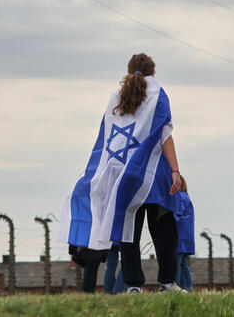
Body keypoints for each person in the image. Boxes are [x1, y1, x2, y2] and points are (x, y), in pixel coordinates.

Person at [59, 53, 184, 293]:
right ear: (153, 73)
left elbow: (106, 138)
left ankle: (133, 284)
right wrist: (175, 170)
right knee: (164, 228)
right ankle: (167, 282)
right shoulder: (158, 94)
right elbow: (165, 134)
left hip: (123, 174)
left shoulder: (116, 97)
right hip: (153, 174)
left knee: (128, 230)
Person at [174, 175, 195, 292]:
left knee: (176, 263)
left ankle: (175, 285)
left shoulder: (180, 198)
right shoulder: (185, 197)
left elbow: (176, 213)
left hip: (179, 237)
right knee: (183, 265)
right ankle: (189, 289)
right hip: (185, 238)